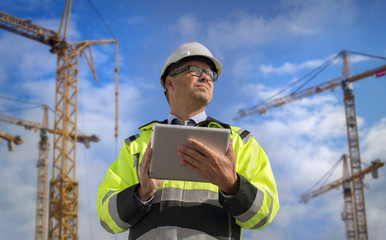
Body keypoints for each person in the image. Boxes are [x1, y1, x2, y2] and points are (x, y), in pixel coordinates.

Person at [97, 42, 279, 239]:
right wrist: (141, 194)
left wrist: (232, 186)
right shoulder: (136, 146)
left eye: (211, 74)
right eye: (195, 70)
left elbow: (264, 215)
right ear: (170, 83)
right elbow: (108, 219)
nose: (206, 77)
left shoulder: (239, 142)